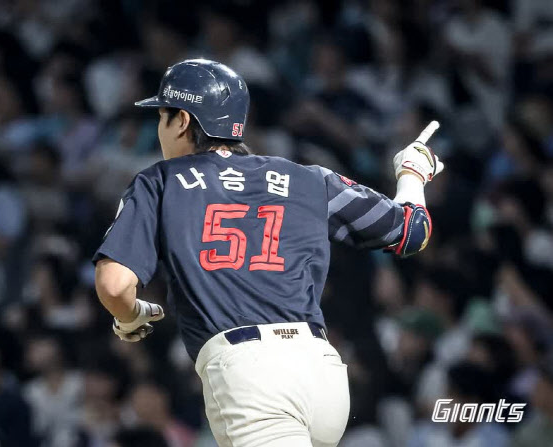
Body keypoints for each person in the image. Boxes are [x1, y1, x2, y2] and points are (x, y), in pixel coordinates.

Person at [92, 59, 444, 447]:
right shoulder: (310, 179)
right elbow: (412, 232)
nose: (159, 129)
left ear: (182, 121)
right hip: (321, 371)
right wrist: (412, 173)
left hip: (250, 378)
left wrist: (129, 315)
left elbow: (114, 285)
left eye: (162, 116)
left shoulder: (160, 181)